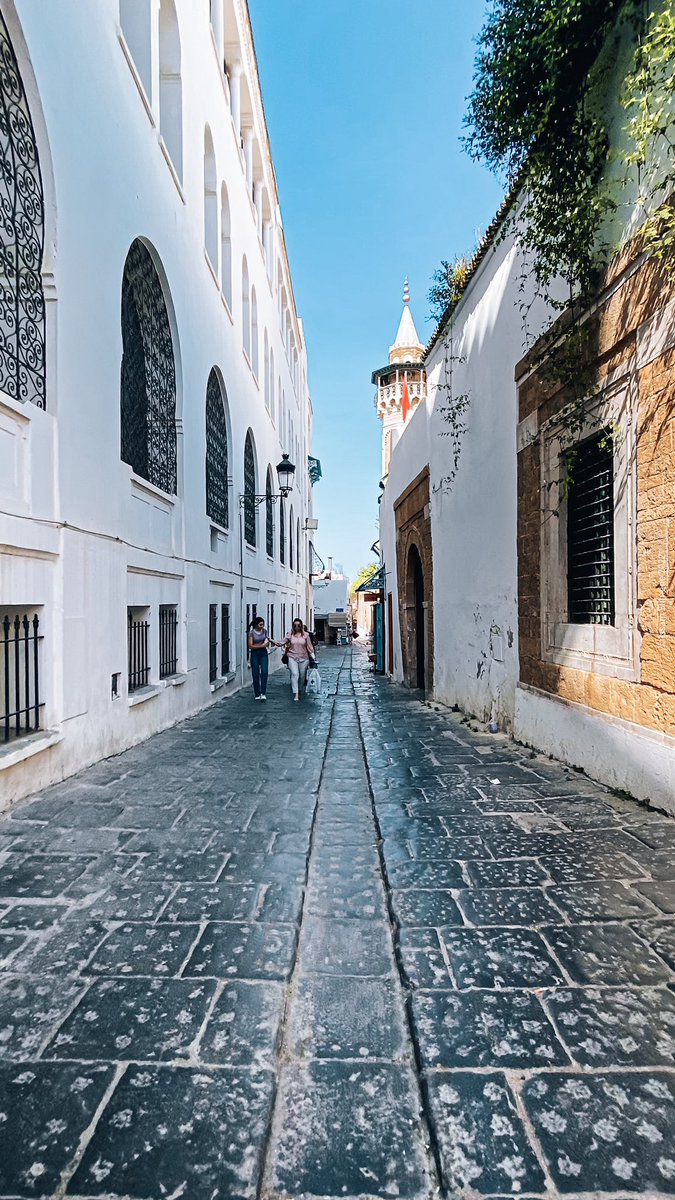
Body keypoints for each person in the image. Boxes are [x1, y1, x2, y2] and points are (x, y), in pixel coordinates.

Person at [284, 617, 315, 701]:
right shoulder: (290, 634)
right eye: (295, 625)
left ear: (301, 626)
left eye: (298, 625)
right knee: (295, 674)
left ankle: (300, 689)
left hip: (304, 658)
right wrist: (274, 642)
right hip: (292, 657)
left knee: (302, 676)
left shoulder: (306, 635)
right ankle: (296, 694)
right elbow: (283, 641)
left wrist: (313, 656)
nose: (296, 627)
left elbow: (309, 646)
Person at [247, 616, 271, 701]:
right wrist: (261, 645)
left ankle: (263, 693)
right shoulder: (251, 633)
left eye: (263, 624)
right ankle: (257, 693)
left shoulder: (265, 631)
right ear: (256, 625)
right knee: (255, 673)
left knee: (264, 672)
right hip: (255, 654)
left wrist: (267, 643)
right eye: (260, 624)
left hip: (263, 653)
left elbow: (267, 641)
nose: (262, 626)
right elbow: (250, 646)